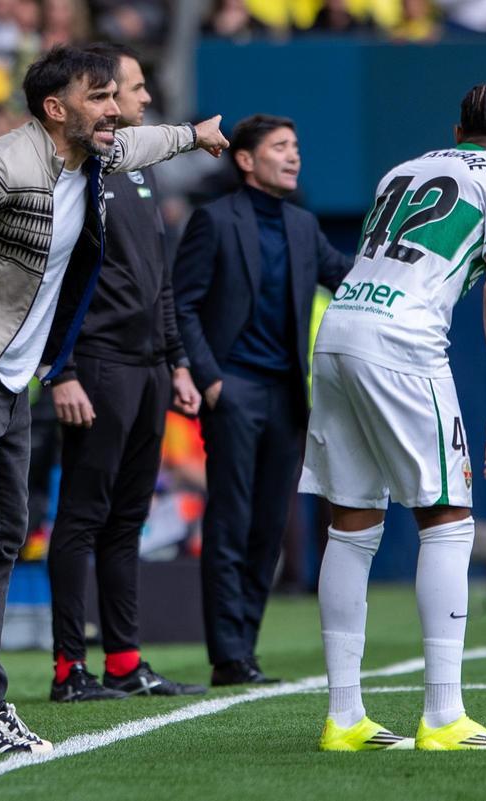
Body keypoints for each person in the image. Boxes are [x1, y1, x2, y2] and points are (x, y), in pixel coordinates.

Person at [0, 46, 228, 757]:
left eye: (114, 96)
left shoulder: (94, 154)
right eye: (99, 97)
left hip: (11, 375)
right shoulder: (4, 167)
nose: (114, 110)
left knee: (6, 533)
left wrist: (195, 134)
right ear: (55, 108)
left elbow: (142, 140)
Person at [298, 82, 486, 751]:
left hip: (339, 328)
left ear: (457, 132)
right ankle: (443, 715)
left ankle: (344, 719)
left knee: (350, 526)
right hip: (402, 345)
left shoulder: (400, 170)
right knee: (448, 521)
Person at [46, 43, 205, 702]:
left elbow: (159, 283)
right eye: (123, 91)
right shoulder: (74, 172)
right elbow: (52, 282)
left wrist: (176, 361)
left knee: (127, 518)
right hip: (99, 365)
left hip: (146, 369)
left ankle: (123, 660)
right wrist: (64, 369)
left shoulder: (137, 173)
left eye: (131, 91)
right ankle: (66, 668)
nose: (135, 101)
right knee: (82, 517)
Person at [173, 113, 351, 686]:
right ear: (245, 160)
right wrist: (210, 378)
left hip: (285, 396)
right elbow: (185, 305)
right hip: (235, 389)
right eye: (280, 147)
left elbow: (345, 277)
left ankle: (243, 650)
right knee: (231, 522)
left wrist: (412, 266)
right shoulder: (214, 221)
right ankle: (228, 656)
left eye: (296, 146)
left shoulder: (302, 225)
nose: (293, 156)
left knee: (270, 526)